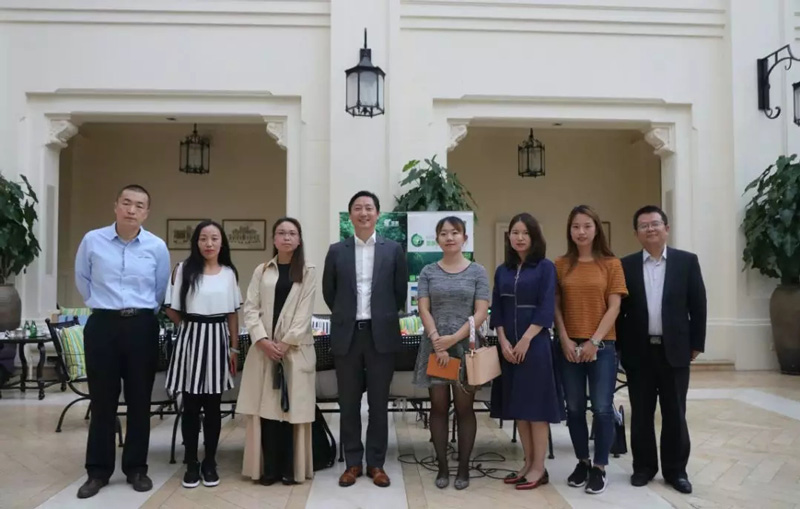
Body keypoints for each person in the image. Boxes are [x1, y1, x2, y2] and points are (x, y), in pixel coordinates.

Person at [73, 184, 170, 499]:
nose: (132, 210)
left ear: (147, 212)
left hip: (141, 326)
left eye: (139, 205)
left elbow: (159, 289)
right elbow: (83, 280)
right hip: (103, 324)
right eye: (126, 203)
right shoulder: (93, 240)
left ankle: (136, 468)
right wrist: (106, 307)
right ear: (115, 206)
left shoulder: (156, 247)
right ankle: (97, 471)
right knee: (103, 401)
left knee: (140, 400)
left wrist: (138, 313)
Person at [616, 205, 706, 494]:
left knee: (675, 413)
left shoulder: (686, 262)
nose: (650, 229)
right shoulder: (625, 265)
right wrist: (620, 348)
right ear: (636, 233)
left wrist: (696, 343)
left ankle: (676, 471)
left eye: (655, 224)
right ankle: (643, 467)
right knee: (641, 414)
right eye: (644, 226)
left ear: (666, 228)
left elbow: (698, 305)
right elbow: (618, 311)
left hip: (675, 350)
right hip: (639, 352)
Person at [322, 190, 408, 488]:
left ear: (377, 214)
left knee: (378, 404)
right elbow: (329, 292)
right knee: (348, 404)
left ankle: (376, 464)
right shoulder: (337, 251)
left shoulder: (393, 249)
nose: (364, 213)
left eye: (369, 208)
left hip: (380, 335)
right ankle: (353, 463)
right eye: (358, 208)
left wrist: (380, 315)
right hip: (347, 335)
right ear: (350, 215)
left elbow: (399, 292)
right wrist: (346, 314)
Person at [554, 204, 628, 495]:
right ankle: (582, 461)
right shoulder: (561, 264)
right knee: (573, 408)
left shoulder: (611, 264)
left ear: (596, 229)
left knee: (601, 408)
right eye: (576, 226)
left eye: (586, 226)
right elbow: (556, 306)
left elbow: (615, 306)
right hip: (569, 346)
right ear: (569, 231)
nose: (581, 232)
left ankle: (600, 467)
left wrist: (594, 342)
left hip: (602, 346)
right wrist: (564, 338)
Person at [238, 218, 317, 485]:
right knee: (266, 411)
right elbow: (250, 308)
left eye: (292, 233)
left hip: (294, 351)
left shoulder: (308, 271)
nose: (286, 237)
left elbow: (304, 314)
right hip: (264, 351)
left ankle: (291, 469)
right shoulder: (262, 270)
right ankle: (268, 468)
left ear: (299, 239)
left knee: (291, 411)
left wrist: (284, 344)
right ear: (274, 239)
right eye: (281, 233)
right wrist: (262, 340)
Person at [412, 216, 490, 490]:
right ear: (437, 239)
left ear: (464, 238)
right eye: (444, 233)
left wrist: (454, 339)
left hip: (465, 347)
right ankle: (443, 468)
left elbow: (481, 312)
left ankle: (464, 468)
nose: (449, 237)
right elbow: (424, 308)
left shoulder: (478, 272)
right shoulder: (428, 272)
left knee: (465, 408)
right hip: (435, 347)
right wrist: (437, 340)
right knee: (438, 407)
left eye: (455, 233)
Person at [163, 220, 241, 489]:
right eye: (203, 238)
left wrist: (234, 348)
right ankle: (191, 462)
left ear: (222, 243)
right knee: (191, 406)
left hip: (218, 339)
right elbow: (170, 307)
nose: (209, 243)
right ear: (196, 242)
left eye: (214, 238)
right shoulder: (183, 269)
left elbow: (233, 314)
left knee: (213, 406)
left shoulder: (229, 273)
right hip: (191, 339)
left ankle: (210, 461)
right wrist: (187, 327)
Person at [490, 213, 562, 491]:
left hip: (536, 345)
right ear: (508, 237)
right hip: (508, 347)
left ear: (534, 237)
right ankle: (527, 463)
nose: (519, 238)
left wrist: (526, 340)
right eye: (515, 232)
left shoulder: (545, 268)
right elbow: (497, 309)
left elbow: (546, 308)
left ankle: (539, 468)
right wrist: (503, 341)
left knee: (536, 410)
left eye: (525, 233)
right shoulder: (502, 270)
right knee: (519, 408)